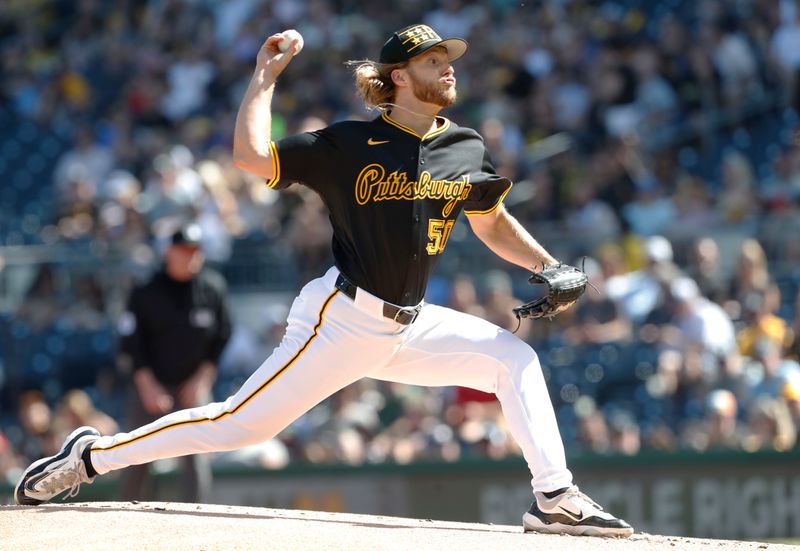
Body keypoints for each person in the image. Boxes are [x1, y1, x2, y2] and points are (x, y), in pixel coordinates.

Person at [14, 25, 632, 538]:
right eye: (433, 60)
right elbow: (251, 158)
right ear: (396, 77)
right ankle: (91, 457)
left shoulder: (464, 147)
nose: (448, 70)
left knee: (514, 360)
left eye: (449, 60)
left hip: (411, 321)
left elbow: (489, 219)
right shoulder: (349, 143)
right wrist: (264, 77)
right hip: (341, 319)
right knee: (239, 425)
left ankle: (554, 496)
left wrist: (546, 265)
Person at [114, 223, 232, 502]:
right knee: (137, 452)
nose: (189, 256)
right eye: (183, 250)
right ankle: (123, 518)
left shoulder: (212, 288)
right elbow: (129, 340)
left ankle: (196, 518)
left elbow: (223, 334)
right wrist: (146, 384)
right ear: (168, 251)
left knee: (196, 454)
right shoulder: (146, 291)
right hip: (151, 384)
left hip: (192, 384)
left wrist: (203, 378)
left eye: (194, 250)